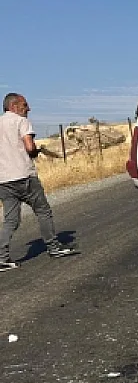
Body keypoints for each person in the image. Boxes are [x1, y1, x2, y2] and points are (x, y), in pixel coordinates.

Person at [0, 93, 79, 271]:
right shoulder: (21, 121)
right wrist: (36, 152)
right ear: (13, 106)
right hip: (24, 176)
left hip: (3, 180)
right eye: (24, 105)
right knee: (43, 211)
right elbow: (29, 147)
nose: (28, 109)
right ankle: (53, 247)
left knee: (10, 220)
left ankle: (2, 258)